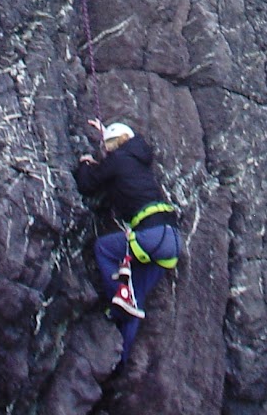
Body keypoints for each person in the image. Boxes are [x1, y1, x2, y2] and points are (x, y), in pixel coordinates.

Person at [75, 117, 182, 365]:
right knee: (136, 297)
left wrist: (85, 164)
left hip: (151, 235)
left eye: (107, 145)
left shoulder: (119, 159)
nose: (105, 150)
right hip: (171, 240)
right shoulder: (138, 159)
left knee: (104, 248)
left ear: (115, 143)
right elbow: (118, 162)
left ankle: (121, 298)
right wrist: (106, 133)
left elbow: (88, 183)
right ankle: (121, 362)